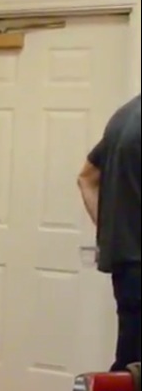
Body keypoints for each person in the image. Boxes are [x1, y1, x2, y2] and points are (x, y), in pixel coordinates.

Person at [78, 93, 140, 372]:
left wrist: (110, 232)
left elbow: (87, 178)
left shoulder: (124, 116)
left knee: (130, 365)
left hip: (127, 266)